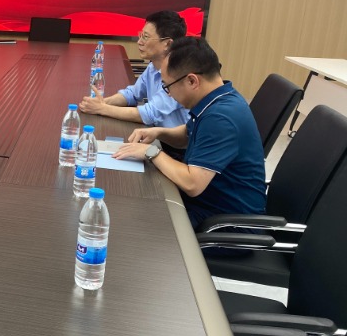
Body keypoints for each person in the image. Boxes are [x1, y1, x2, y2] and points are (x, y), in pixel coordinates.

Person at [113, 37, 266, 229]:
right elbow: (187, 134)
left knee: (133, 223)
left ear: (192, 81)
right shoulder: (219, 98)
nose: (169, 94)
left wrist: (151, 152)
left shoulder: (220, 118)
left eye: (167, 87)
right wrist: (158, 132)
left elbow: (192, 184)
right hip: (207, 204)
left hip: (223, 222)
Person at [79, 11, 189, 129]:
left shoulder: (179, 75)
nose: (139, 42)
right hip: (155, 133)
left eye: (145, 37)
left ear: (167, 44)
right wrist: (103, 102)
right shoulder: (153, 66)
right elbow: (132, 94)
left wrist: (102, 108)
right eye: (140, 35)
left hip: (172, 140)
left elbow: (148, 114)